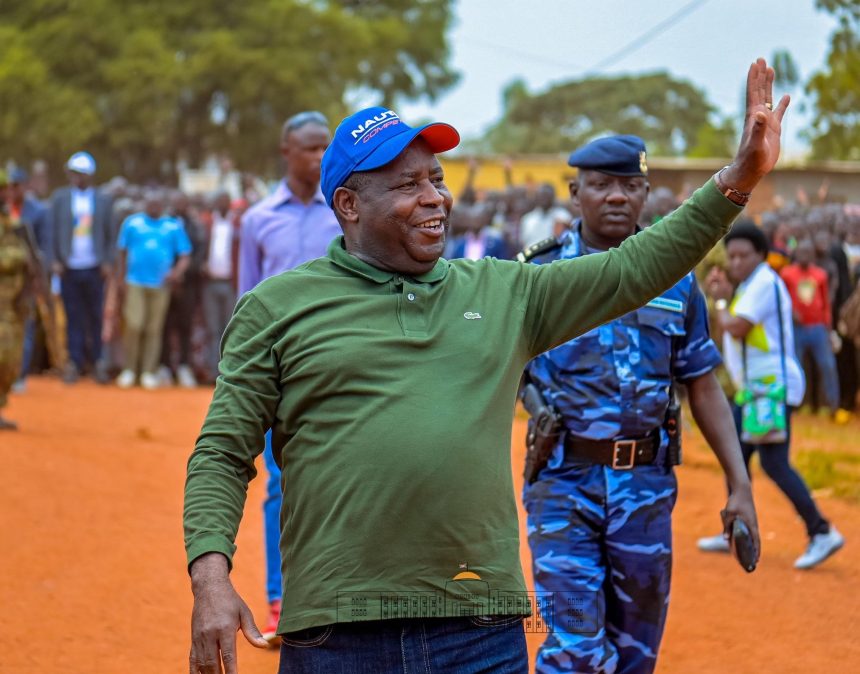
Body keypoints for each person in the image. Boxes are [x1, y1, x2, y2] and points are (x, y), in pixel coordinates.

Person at [184, 59, 787, 673]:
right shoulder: (277, 308)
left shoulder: (505, 292)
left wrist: (740, 177)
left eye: (436, 179)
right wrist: (210, 580)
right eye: (407, 184)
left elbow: (635, 268)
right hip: (338, 635)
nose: (434, 198)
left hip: (480, 632)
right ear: (348, 204)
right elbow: (222, 453)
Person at [519, 135, 758, 674]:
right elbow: (503, 369)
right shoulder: (539, 276)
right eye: (601, 185)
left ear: (646, 193)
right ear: (575, 192)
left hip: (645, 490)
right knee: (575, 653)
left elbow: (701, 382)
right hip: (562, 485)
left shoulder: (677, 279)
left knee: (635, 656)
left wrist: (739, 483)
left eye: (629, 185)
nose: (616, 196)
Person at [236, 110, 341, 641]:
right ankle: (282, 599)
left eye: (326, 147)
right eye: (310, 148)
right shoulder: (257, 220)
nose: (320, 157)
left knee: (346, 481)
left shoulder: (345, 213)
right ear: (286, 152)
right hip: (279, 372)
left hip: (342, 368)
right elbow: (246, 298)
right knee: (281, 484)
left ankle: (339, 597)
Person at [699, 222, 844, 569]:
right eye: (732, 256)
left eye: (743, 255)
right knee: (734, 456)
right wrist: (726, 294)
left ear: (761, 255)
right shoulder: (751, 285)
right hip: (755, 390)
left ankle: (821, 531)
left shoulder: (763, 282)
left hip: (771, 389)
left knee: (773, 462)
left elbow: (736, 327)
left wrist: (720, 300)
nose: (736, 262)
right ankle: (736, 530)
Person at [114, 190, 191, 389]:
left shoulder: (172, 226)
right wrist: (120, 279)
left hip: (161, 284)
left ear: (162, 205)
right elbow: (122, 253)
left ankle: (148, 371)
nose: (154, 207)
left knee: (154, 328)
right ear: (144, 204)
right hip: (135, 281)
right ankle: (129, 369)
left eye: (157, 204)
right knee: (134, 324)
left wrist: (176, 273)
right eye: (150, 203)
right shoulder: (132, 223)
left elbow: (185, 255)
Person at [50, 151, 115, 384]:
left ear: (90, 175)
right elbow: (51, 232)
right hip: (69, 268)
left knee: (95, 316)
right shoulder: (60, 198)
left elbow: (111, 234)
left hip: (94, 267)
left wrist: (107, 262)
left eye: (80, 173)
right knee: (72, 316)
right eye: (72, 173)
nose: (75, 177)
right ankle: (74, 363)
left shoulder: (103, 200)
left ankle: (97, 362)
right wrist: (54, 260)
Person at [780, 238, 841, 418]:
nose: (804, 256)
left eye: (808, 252)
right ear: (796, 254)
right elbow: (782, 299)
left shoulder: (820, 274)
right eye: (801, 252)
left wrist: (828, 328)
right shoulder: (787, 274)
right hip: (796, 329)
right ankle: (797, 404)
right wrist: (791, 312)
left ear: (813, 255)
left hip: (818, 328)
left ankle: (832, 404)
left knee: (827, 366)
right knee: (797, 367)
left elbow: (826, 303)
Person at [6, 168, 52, 391]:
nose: (11, 191)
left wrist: (39, 278)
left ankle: (19, 375)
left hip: (26, 280)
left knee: (25, 327)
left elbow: (44, 248)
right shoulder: (4, 211)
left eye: (16, 186)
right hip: (3, 282)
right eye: (8, 187)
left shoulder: (38, 212)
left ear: (24, 186)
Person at [159, 191, 205, 388]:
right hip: (164, 283)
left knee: (185, 326)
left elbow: (199, 253)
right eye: (176, 202)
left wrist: (182, 275)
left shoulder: (195, 225)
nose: (179, 205)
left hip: (188, 284)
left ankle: (184, 367)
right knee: (164, 326)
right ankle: (164, 367)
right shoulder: (163, 224)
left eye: (183, 202)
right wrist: (169, 274)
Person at [0, 171, 32, 430]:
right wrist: (17, 257)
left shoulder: (12, 222)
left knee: (9, 360)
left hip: (11, 304)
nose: (5, 193)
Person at [201, 191, 240, 384]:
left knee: (230, 328)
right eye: (220, 200)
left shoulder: (239, 224)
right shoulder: (207, 223)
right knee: (212, 328)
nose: (223, 203)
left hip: (230, 283)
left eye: (226, 200)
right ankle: (212, 370)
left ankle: (228, 371)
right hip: (210, 283)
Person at [518, 183, 571, 248]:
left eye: (547, 196)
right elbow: (523, 242)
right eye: (542, 196)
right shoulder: (528, 219)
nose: (544, 199)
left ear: (553, 197)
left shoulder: (562, 216)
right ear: (536, 197)